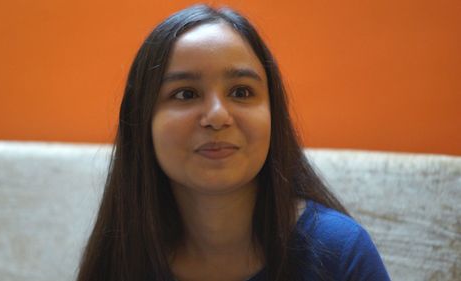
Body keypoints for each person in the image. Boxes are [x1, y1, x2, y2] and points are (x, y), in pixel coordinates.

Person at [76, 4, 390, 281]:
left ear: (273, 116)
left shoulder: (341, 251)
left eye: (241, 92)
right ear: (142, 122)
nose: (217, 116)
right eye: (186, 93)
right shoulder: (122, 259)